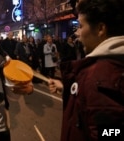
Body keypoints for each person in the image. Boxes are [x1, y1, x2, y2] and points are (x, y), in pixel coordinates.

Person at [48, 0, 124, 140]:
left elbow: (110, 132)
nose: (77, 33)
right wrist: (70, 88)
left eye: (81, 26)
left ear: (101, 29)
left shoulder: (99, 77)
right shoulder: (111, 68)